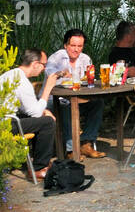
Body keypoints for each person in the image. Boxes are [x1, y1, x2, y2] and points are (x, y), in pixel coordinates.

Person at [0, 48, 57, 179]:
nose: (44, 69)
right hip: (2, 125)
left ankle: (34, 161)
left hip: (0, 119)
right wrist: (48, 88)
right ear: (35, 64)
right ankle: (39, 168)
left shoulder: (12, 74)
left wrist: (44, 110)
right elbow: (35, 113)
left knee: (42, 117)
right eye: (43, 65)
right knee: (48, 123)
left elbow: (28, 108)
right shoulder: (22, 82)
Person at [43, 28, 105, 159]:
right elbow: (49, 73)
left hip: (76, 98)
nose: (76, 49)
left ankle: (85, 143)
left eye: (80, 46)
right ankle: (70, 150)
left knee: (97, 102)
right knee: (65, 104)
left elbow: (87, 81)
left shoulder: (85, 59)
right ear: (66, 45)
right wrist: (63, 73)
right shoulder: (57, 57)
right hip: (53, 100)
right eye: (73, 45)